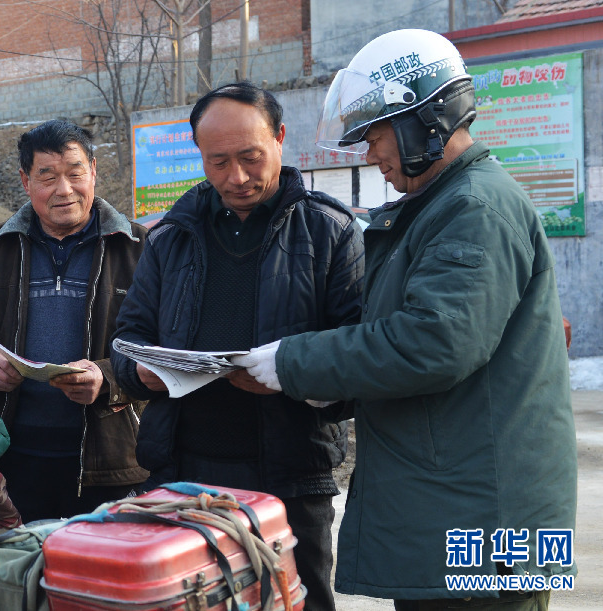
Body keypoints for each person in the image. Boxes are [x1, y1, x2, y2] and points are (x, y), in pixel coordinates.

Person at [236, 29, 577, 609]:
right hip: (454, 505)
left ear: (425, 120)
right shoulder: (438, 207)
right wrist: (330, 383)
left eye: (375, 134)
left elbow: (432, 343)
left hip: (484, 526)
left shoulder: (474, 208)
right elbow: (402, 339)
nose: (371, 154)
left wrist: (293, 362)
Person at [111, 82, 365, 611]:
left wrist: (290, 374)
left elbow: (360, 355)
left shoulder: (331, 231)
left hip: (290, 478)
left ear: (280, 137)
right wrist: (142, 374)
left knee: (296, 601)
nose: (237, 177)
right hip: (184, 475)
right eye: (218, 161)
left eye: (250, 157)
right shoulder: (168, 236)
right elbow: (126, 341)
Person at [0, 119, 148, 522]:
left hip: (113, 460)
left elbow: (165, 349)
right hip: (12, 457)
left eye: (75, 173)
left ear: (93, 171)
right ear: (26, 182)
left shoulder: (140, 248)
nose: (64, 190)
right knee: (25, 577)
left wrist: (107, 378)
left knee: (101, 577)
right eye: (47, 176)